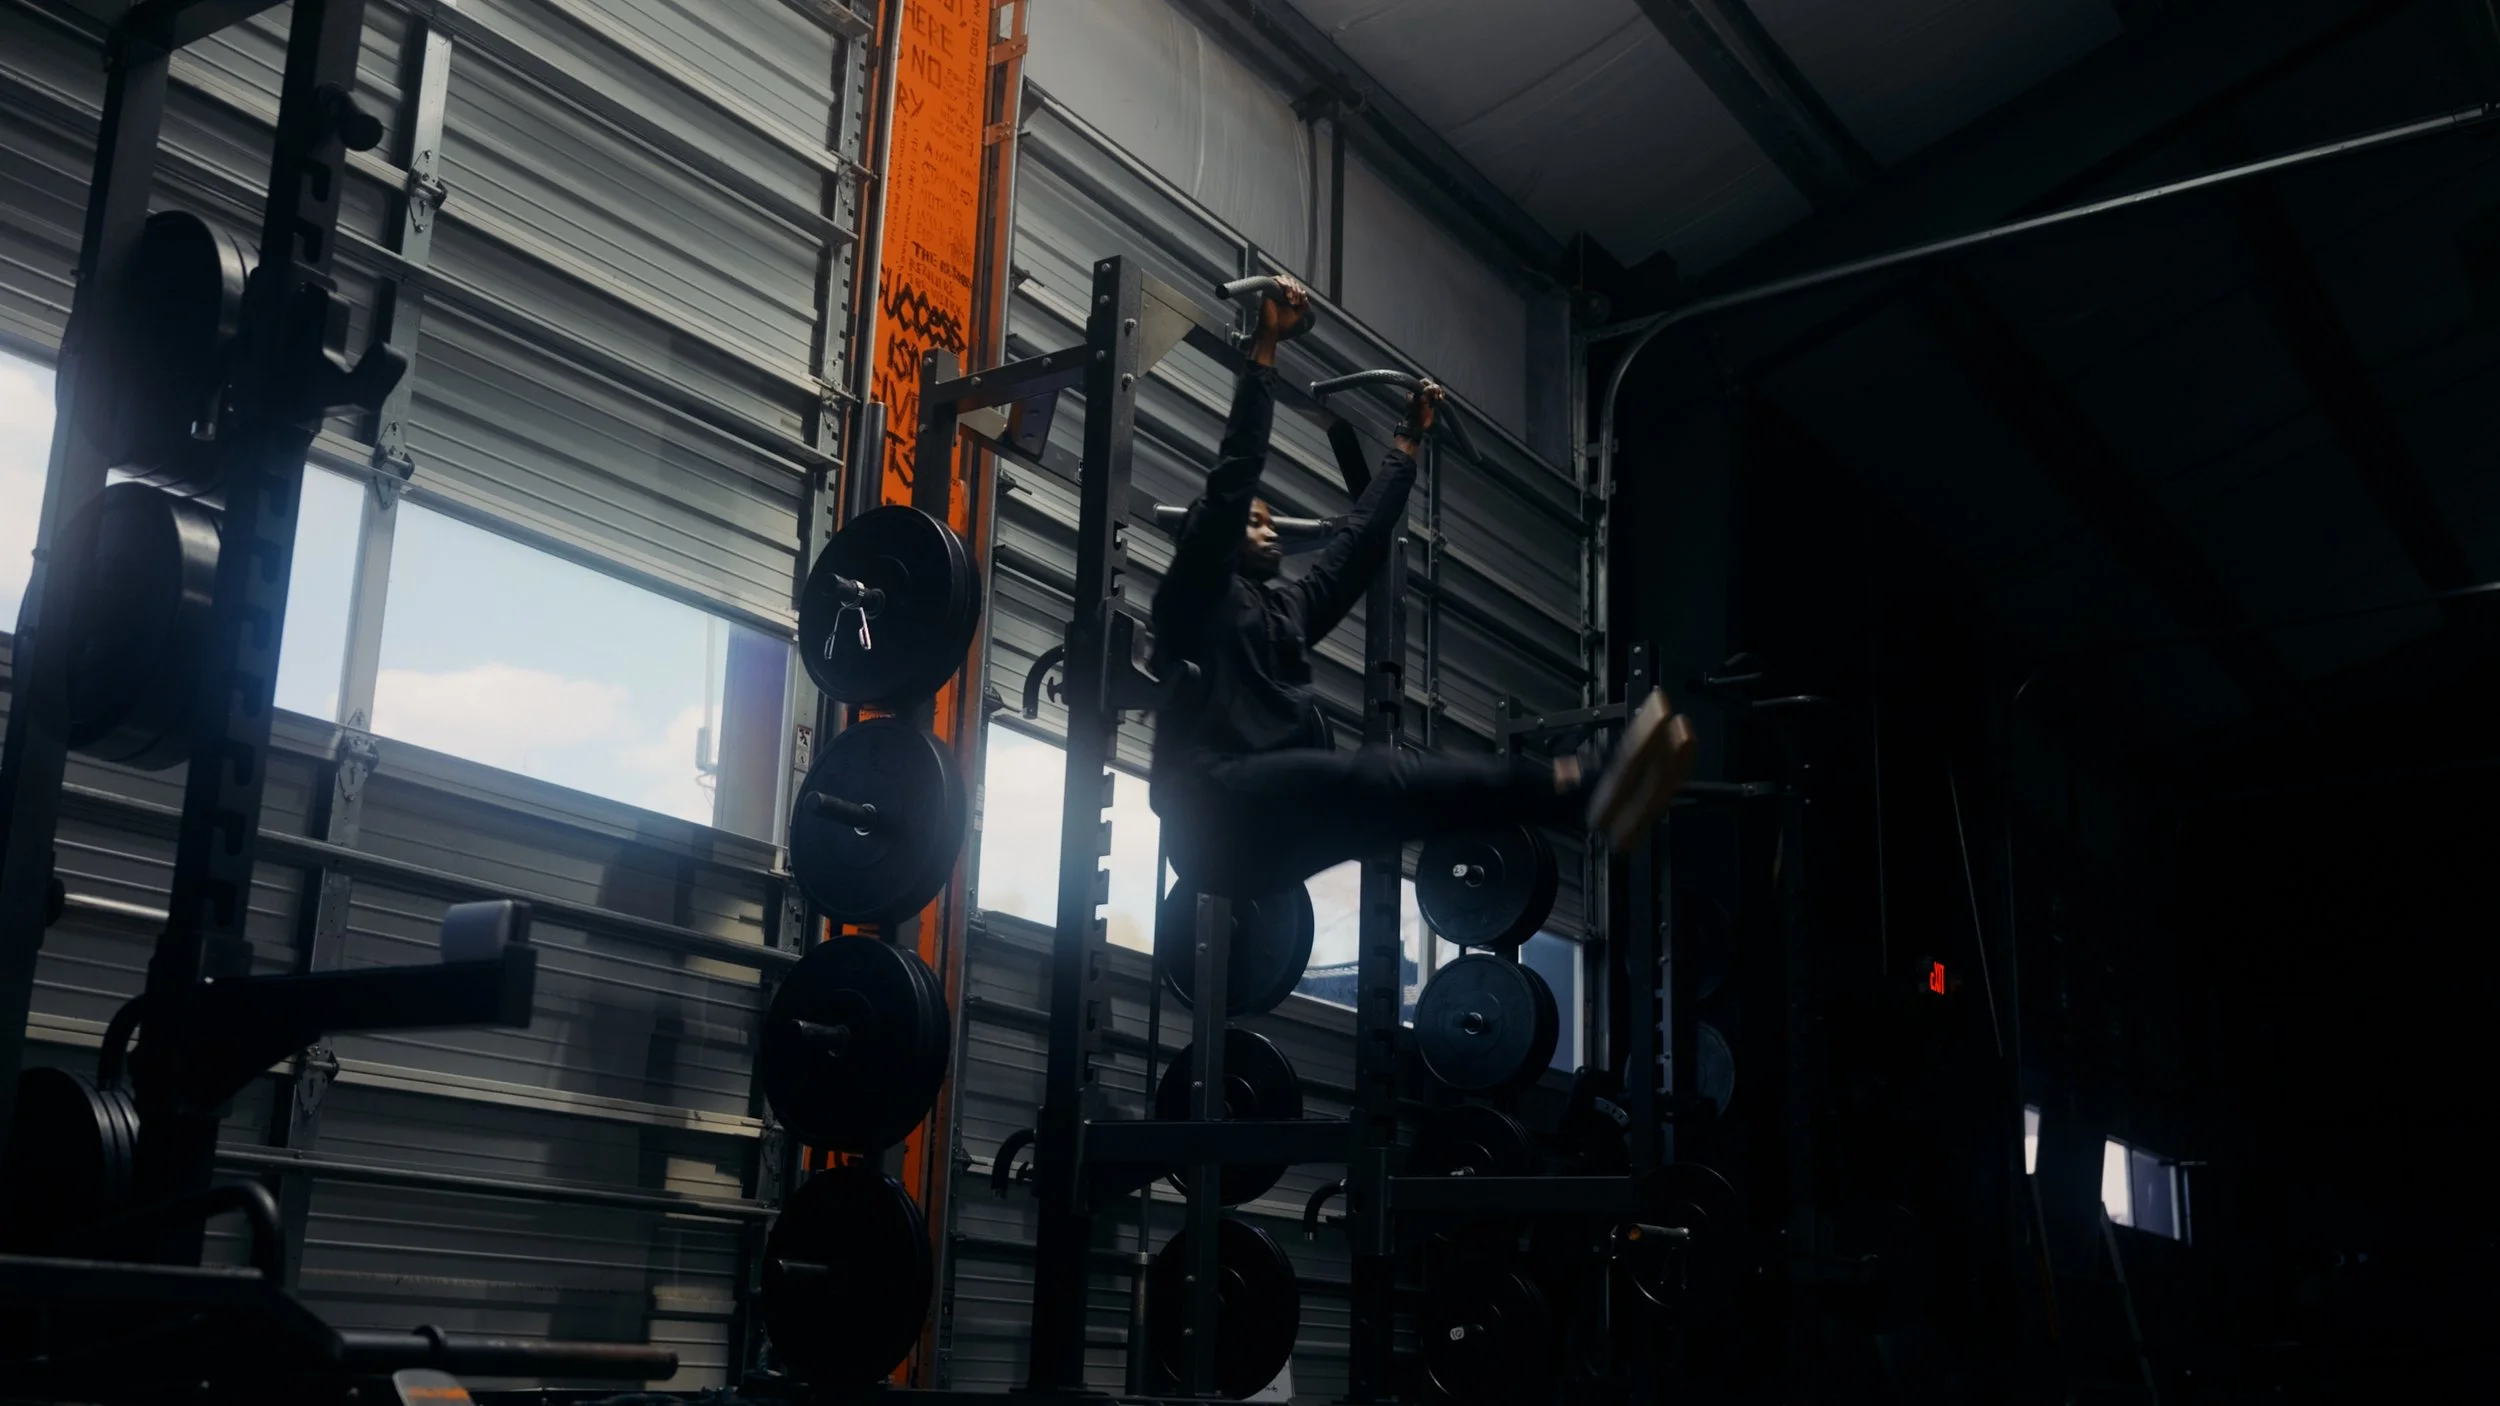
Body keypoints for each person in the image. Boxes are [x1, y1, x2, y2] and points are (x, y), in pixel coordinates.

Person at [1148, 276, 1695, 900]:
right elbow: (1235, 475)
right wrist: (1265, 346)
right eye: (1255, 522)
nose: (1270, 529)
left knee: (1408, 804)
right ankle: (1587, 783)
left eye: (1270, 520)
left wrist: (1407, 443)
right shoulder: (1195, 593)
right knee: (1382, 775)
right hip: (1211, 812)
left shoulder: (1286, 613)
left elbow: (1359, 542)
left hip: (1268, 849)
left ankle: (1589, 800)